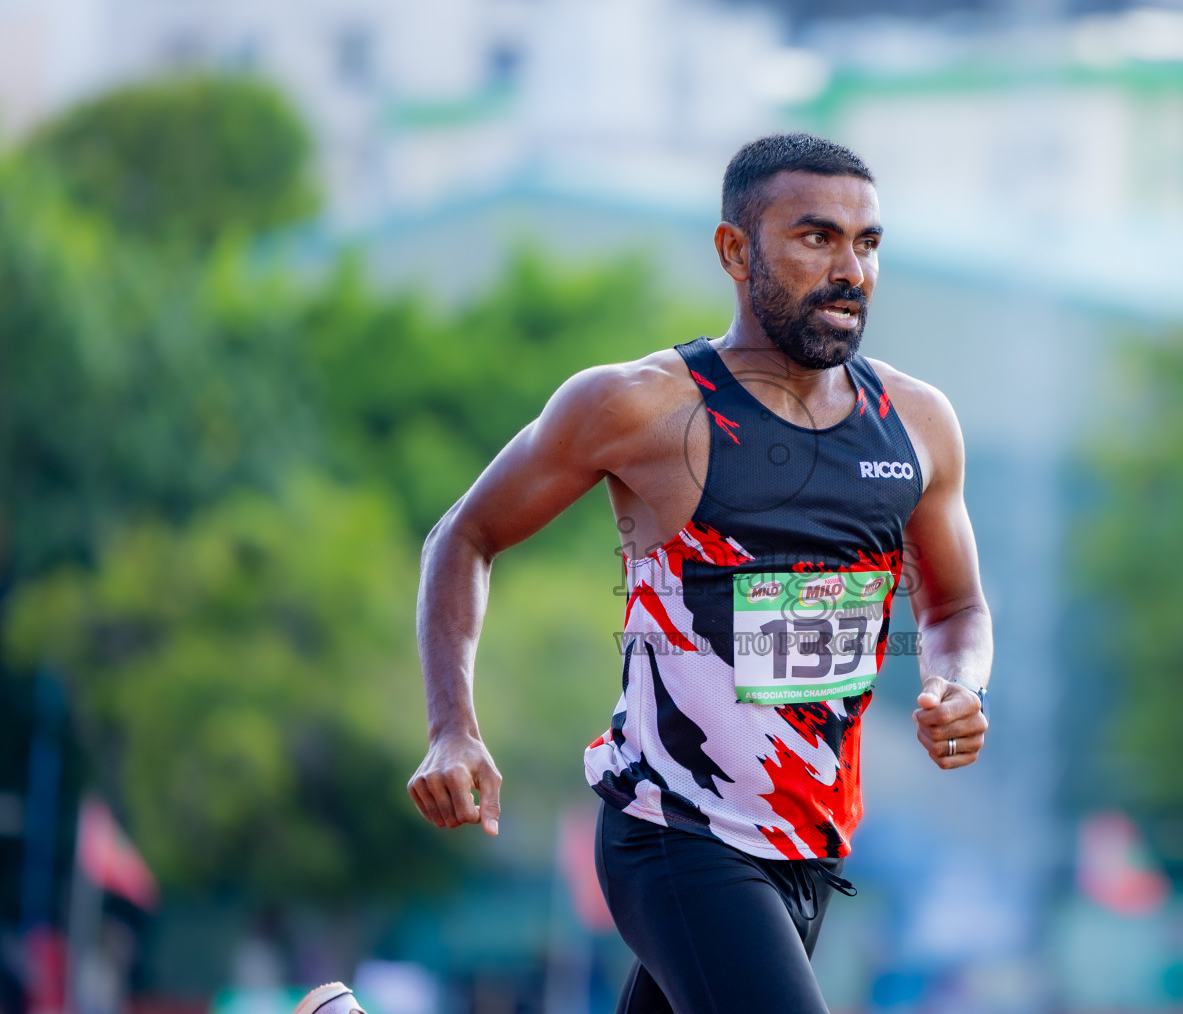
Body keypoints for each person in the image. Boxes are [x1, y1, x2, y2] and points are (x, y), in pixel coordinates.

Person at [408, 133, 993, 1014]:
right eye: (816, 238)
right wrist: (453, 726)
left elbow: (954, 604)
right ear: (734, 250)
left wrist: (959, 684)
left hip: (809, 851)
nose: (850, 270)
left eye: (867, 244)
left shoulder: (916, 423)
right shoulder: (638, 407)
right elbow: (463, 535)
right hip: (675, 832)